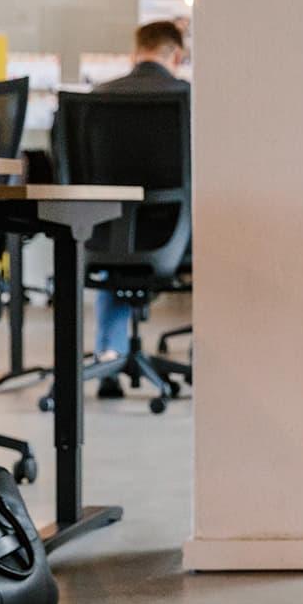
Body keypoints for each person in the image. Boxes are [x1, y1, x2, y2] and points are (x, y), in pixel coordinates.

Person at [90, 20, 190, 399]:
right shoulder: (187, 98)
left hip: (103, 235)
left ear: (135, 53)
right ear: (176, 55)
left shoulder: (98, 98)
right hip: (174, 236)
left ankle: (108, 357)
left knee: (116, 249)